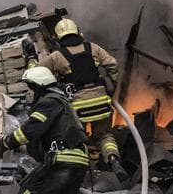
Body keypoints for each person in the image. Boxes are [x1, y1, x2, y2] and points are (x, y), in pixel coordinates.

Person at [0, 66, 99, 194]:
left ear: (39, 86)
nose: (28, 94)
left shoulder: (49, 102)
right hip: (78, 161)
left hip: (63, 159)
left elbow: (30, 130)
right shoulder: (62, 104)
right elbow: (39, 144)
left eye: (30, 88)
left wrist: (6, 142)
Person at [29, 17, 123, 173]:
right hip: (102, 102)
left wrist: (31, 59)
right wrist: (112, 82)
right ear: (79, 32)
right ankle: (113, 158)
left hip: (78, 106)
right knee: (104, 136)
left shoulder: (56, 56)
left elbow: (37, 72)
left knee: (77, 139)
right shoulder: (93, 47)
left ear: (58, 37)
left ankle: (87, 171)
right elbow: (112, 64)